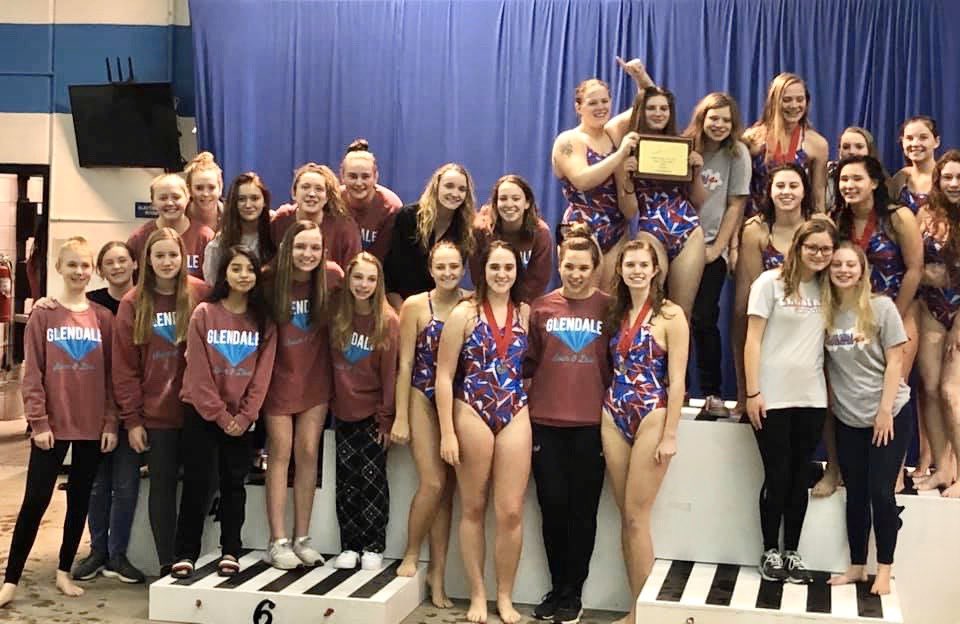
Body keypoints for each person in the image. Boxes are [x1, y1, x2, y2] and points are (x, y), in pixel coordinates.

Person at [0, 237, 118, 607]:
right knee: (35, 501)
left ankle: (64, 570)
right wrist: (38, 422)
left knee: (79, 501)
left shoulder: (104, 319)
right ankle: (11, 580)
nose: (80, 272)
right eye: (72, 265)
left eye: (85, 266)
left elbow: (115, 377)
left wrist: (110, 423)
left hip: (91, 428)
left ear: (92, 270)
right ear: (59, 268)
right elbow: (31, 371)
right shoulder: (44, 314)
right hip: (52, 427)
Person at [815, 155, 922, 496]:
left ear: (875, 182)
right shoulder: (837, 220)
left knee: (894, 392)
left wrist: (890, 316)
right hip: (844, 317)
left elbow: (915, 269)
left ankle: (892, 472)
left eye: (857, 179)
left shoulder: (897, 218)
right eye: (844, 179)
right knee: (835, 395)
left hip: (893, 314)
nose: (849, 186)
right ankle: (834, 468)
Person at [436, 241, 530, 624]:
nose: (502, 274)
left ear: (516, 271)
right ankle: (477, 593)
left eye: (508, 267)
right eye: (495, 268)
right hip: (472, 408)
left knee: (509, 512)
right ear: (483, 271)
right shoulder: (464, 313)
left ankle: (504, 596)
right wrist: (446, 431)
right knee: (473, 506)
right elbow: (443, 375)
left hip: (515, 410)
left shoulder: (526, 312)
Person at [107, 228, 209, 577]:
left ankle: (189, 554)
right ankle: (168, 563)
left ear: (184, 257)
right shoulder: (133, 302)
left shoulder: (201, 294)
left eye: (173, 255)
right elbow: (124, 368)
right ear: (148, 260)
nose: (167, 262)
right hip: (157, 415)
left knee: (201, 484)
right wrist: (133, 420)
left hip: (198, 411)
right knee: (162, 488)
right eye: (159, 256)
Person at [172, 245, 277, 578]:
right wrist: (221, 416)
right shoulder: (204, 313)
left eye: (249, 269)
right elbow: (198, 373)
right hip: (202, 414)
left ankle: (231, 548)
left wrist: (245, 417)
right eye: (236, 268)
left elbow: (263, 376)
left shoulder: (265, 322)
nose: (243, 275)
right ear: (225, 274)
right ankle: (185, 552)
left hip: (241, 419)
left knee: (235, 483)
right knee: (197, 482)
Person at [525, 224, 612, 623]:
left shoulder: (609, 309)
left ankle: (574, 591)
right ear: (559, 265)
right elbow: (528, 364)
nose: (575, 274)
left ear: (595, 268)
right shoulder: (541, 309)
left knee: (583, 512)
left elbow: (615, 367)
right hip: (546, 423)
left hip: (591, 426)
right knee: (552, 507)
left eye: (583, 267)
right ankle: (556, 587)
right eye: (569, 266)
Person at [744, 218, 838, 583]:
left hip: (811, 399)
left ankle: (793, 551)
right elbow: (752, 340)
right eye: (812, 247)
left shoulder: (828, 289)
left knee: (799, 476)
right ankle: (770, 550)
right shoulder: (769, 283)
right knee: (777, 474)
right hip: (772, 397)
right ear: (797, 247)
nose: (819, 254)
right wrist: (753, 391)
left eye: (826, 249)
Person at [601, 239, 687, 624]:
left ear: (656, 270)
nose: (636, 270)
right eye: (629, 264)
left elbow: (679, 380)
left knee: (638, 517)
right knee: (627, 517)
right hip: (613, 412)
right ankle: (635, 605)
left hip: (651, 411)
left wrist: (670, 433)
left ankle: (644, 612)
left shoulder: (671, 316)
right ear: (620, 270)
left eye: (643, 264)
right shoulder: (615, 312)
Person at [822, 242, 910, 596]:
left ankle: (884, 570)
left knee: (880, 493)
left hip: (887, 415)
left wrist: (885, 410)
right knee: (855, 493)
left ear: (862, 271)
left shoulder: (881, 308)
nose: (843, 270)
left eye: (850, 265)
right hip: (848, 419)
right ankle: (857, 566)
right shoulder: (825, 314)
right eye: (837, 265)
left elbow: (896, 361)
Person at [262, 221, 343, 569]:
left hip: (315, 377)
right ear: (287, 248)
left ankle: (302, 537)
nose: (307, 254)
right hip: (278, 377)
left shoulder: (333, 278)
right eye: (300, 247)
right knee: (280, 451)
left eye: (314, 248)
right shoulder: (269, 279)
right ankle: (277, 540)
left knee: (308, 452)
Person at [392, 241, 467, 608]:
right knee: (433, 482)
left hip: (457, 404)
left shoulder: (471, 304)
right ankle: (410, 551)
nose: (448, 273)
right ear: (431, 268)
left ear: (463, 267)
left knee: (448, 491)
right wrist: (401, 415)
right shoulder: (415, 306)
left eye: (454, 266)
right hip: (422, 398)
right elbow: (405, 364)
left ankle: (438, 575)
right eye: (442, 267)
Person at [68, 242, 142, 583]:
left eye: (122, 260)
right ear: (100, 269)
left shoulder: (146, 299)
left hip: (133, 408)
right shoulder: (91, 303)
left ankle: (118, 555)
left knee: (126, 485)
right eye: (109, 262)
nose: (116, 266)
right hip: (95, 409)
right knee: (97, 485)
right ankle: (97, 550)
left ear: (135, 264)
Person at [611, 85, 707, 320]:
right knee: (648, 308)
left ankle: (679, 359)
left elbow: (699, 200)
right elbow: (629, 210)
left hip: (688, 227)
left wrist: (696, 171)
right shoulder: (628, 147)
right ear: (640, 112)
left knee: (682, 313)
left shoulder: (682, 144)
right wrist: (626, 176)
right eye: (651, 108)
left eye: (663, 108)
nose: (658, 113)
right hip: (650, 228)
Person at [329, 252, 399, 570]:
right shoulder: (337, 316)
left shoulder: (388, 321)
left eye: (371, 279)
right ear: (348, 280)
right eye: (358, 277)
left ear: (379, 283)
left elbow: (390, 375)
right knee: (346, 483)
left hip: (372, 416)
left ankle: (373, 544)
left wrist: (386, 418)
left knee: (372, 482)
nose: (363, 284)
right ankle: (350, 545)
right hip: (342, 413)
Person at [682, 92, 751, 416]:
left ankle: (711, 393)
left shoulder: (737, 154)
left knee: (704, 318)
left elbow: (736, 204)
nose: (719, 124)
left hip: (712, 248)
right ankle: (675, 389)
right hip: (678, 245)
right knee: (674, 318)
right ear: (702, 118)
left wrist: (717, 248)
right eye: (714, 118)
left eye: (726, 119)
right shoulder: (684, 147)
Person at [733, 164, 813, 415]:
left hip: (813, 317)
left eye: (793, 186)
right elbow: (754, 289)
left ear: (804, 191)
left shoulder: (818, 226)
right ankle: (747, 394)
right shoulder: (755, 230)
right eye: (780, 186)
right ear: (769, 191)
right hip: (773, 318)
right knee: (740, 318)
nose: (786, 192)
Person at [552, 77, 639, 291]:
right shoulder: (569, 140)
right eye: (592, 103)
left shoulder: (613, 132)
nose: (600, 107)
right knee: (582, 300)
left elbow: (648, 101)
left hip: (617, 229)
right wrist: (619, 156)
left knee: (611, 306)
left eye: (604, 101)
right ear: (578, 107)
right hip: (581, 228)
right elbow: (582, 180)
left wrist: (639, 75)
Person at [913, 150, 960, 496]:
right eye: (948, 177)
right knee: (928, 389)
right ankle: (942, 468)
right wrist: (927, 277)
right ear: (939, 180)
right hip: (931, 309)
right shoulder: (925, 213)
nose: (954, 183)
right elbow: (913, 263)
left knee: (950, 391)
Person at [384, 163, 477, 306]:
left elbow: (450, 280)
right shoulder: (408, 217)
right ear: (436, 186)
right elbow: (390, 275)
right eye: (449, 186)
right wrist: (402, 314)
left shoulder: (464, 230)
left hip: (438, 311)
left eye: (462, 189)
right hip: (400, 305)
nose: (455, 193)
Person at [743, 73, 829, 217]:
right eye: (787, 100)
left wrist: (819, 226)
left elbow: (818, 197)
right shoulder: (752, 139)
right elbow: (741, 192)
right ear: (774, 102)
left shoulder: (817, 144)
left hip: (797, 224)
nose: (794, 105)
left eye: (800, 99)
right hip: (757, 224)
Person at [471, 175, 554, 303]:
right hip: (489, 300)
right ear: (495, 203)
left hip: (524, 304)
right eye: (503, 199)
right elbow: (478, 276)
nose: (509, 204)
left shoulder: (541, 233)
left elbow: (538, 281)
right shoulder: (481, 230)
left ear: (527, 203)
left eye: (516, 199)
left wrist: (517, 308)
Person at [269, 162, 362, 270]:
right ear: (294, 193)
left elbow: (354, 272)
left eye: (319, 189)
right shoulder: (282, 219)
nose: (312, 194)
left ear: (327, 196)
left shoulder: (344, 228)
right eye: (305, 187)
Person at [128, 173, 215, 281]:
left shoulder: (205, 237)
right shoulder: (138, 239)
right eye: (163, 198)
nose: (170, 203)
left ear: (188, 197)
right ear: (153, 202)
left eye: (176, 197)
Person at [203, 172, 277, 284]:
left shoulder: (276, 230)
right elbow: (212, 286)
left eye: (255, 198)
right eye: (241, 199)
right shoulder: (218, 246)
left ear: (264, 202)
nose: (248, 205)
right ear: (234, 203)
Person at [340, 138, 402, 261]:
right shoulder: (333, 201)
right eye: (352, 176)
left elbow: (386, 257)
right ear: (342, 176)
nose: (359, 183)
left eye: (365, 176)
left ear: (375, 177)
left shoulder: (390, 207)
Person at [890, 116, 940, 214]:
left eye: (923, 137)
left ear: (936, 141)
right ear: (902, 142)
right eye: (909, 138)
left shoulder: (946, 176)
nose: (915, 143)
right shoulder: (900, 177)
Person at [825, 127, 882, 209]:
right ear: (839, 151)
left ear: (869, 150)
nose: (852, 151)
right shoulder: (826, 175)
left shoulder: (882, 179)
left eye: (859, 147)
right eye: (845, 147)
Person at [184, 151, 224, 231]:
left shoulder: (233, 217)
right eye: (199, 188)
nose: (205, 194)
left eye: (211, 187)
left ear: (220, 188)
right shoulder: (178, 216)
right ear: (189, 190)